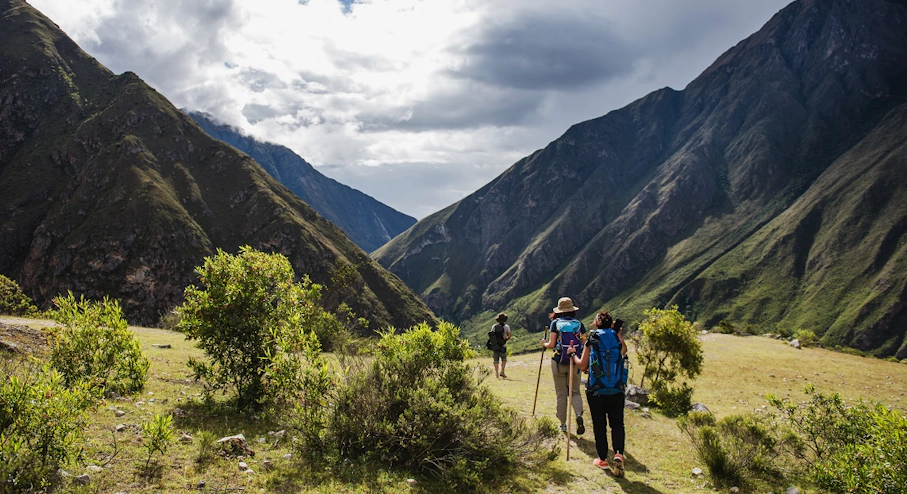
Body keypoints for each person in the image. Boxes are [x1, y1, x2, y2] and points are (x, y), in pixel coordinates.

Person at [566, 311, 628, 476]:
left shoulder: (593, 339)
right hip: (617, 389)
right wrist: (618, 333)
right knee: (617, 424)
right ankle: (618, 454)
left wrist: (572, 354)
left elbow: (582, 365)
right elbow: (623, 352)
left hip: (596, 390)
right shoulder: (616, 337)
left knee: (599, 425)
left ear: (597, 323)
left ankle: (602, 459)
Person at [541, 297, 587, 435]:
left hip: (558, 361)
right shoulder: (579, 324)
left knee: (561, 394)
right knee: (575, 392)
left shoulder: (555, 323)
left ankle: (562, 424)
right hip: (575, 361)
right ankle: (578, 415)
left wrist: (544, 343)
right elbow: (584, 344)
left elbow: (552, 344)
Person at [490, 312, 512, 378]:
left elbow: (491, 335)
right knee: (504, 359)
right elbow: (509, 336)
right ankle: (502, 371)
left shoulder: (494, 326)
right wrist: (505, 340)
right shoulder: (507, 327)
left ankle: (496, 373)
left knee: (495, 359)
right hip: (503, 345)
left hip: (495, 345)